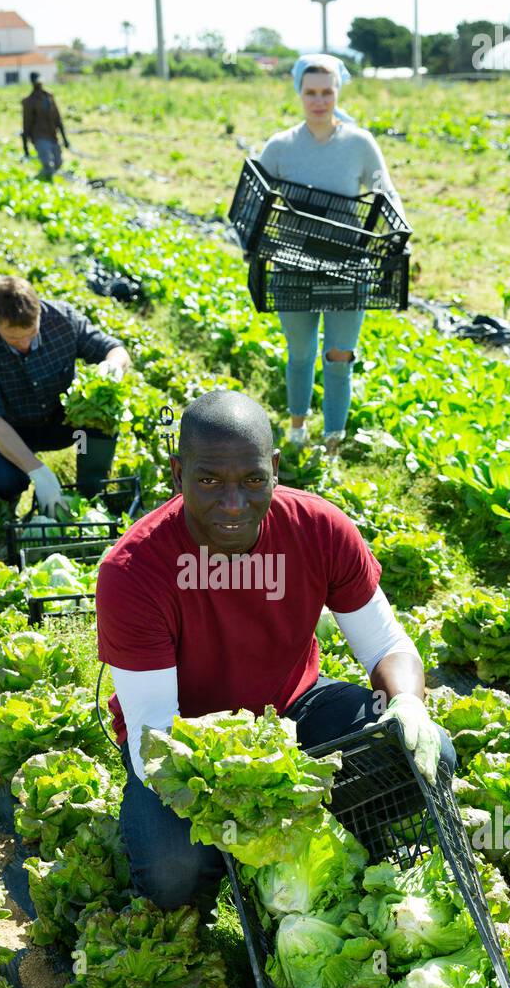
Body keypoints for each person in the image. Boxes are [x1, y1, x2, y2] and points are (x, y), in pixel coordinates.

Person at [95, 389, 454, 914]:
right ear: (178, 475)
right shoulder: (134, 572)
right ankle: (241, 849)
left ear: (275, 470)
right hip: (181, 747)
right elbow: (154, 733)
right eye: (209, 481)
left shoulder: (319, 529)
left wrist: (408, 704)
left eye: (253, 480)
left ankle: (336, 835)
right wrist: (256, 796)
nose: (233, 504)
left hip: (291, 708)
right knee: (173, 876)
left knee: (428, 756)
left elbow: (385, 642)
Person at [258, 54, 408, 454]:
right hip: (294, 262)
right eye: (311, 92)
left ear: (338, 91)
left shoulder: (359, 143)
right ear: (299, 94)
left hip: (346, 264)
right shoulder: (280, 146)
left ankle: (333, 443)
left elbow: (384, 191)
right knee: (301, 352)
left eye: (327, 92)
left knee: (339, 356)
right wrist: (250, 245)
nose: (319, 100)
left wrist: (400, 234)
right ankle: (296, 429)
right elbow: (253, 202)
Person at [0, 275, 131, 515]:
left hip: (64, 423)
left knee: (102, 415)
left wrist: (112, 367)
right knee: (4, 481)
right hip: (10, 429)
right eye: (14, 338)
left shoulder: (62, 319)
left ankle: (91, 489)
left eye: (31, 333)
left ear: (39, 313)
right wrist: (37, 470)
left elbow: (115, 349)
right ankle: (15, 489)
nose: (25, 343)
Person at [22, 72, 69, 180]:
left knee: (58, 162)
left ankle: (42, 178)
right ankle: (47, 183)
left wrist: (65, 138)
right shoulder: (29, 101)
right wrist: (25, 147)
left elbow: (58, 117)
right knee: (47, 162)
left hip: (52, 134)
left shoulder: (49, 96)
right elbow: (26, 123)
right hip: (39, 136)